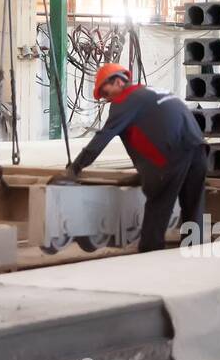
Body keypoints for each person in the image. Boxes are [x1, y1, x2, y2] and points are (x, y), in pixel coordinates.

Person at [54, 62, 206, 252]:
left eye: (106, 93)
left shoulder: (125, 101)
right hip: (198, 148)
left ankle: (149, 258)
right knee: (193, 207)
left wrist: (75, 167)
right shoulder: (149, 92)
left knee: (157, 208)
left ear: (118, 81)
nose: (107, 99)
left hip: (173, 156)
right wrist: (144, 174)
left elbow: (103, 137)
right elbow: (155, 130)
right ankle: (193, 257)